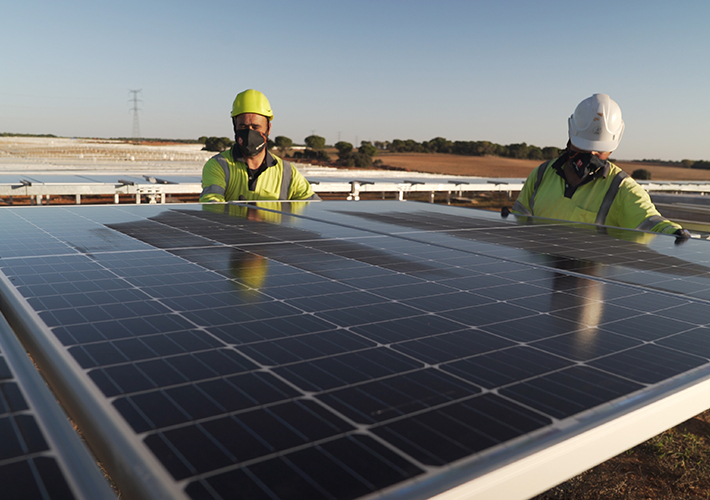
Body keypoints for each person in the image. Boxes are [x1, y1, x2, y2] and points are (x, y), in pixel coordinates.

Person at [512, 94, 690, 238]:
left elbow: (650, 221)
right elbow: (519, 218)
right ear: (571, 136)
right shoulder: (542, 174)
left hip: (590, 278)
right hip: (541, 273)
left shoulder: (622, 188)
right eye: (583, 147)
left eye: (599, 151)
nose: (590, 156)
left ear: (612, 149)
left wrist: (674, 233)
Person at [200, 89, 320, 202]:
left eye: (256, 127)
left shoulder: (288, 172)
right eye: (243, 127)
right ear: (235, 127)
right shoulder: (218, 165)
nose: (249, 133)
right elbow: (212, 205)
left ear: (268, 129)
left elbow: (312, 207)